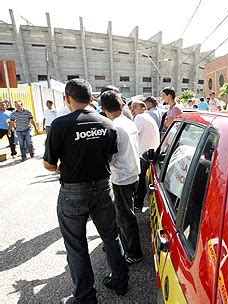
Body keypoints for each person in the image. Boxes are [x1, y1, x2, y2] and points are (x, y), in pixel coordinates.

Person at [43, 79, 129, 303]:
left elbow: (49, 164)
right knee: (111, 237)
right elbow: (109, 157)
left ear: (67, 99)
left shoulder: (60, 126)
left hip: (73, 192)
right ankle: (121, 282)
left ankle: (85, 296)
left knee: (76, 245)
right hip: (103, 187)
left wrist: (63, 167)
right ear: (91, 99)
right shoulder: (108, 124)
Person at [99, 90, 143, 266]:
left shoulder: (113, 127)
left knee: (125, 217)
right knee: (125, 214)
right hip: (133, 172)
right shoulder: (128, 122)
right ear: (123, 105)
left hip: (122, 177)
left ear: (103, 109)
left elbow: (111, 156)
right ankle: (127, 245)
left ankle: (134, 252)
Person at [131, 100, 160, 211]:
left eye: (135, 107)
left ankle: (138, 204)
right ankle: (138, 204)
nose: (132, 110)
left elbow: (133, 133)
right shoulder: (147, 117)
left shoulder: (140, 117)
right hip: (150, 153)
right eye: (132, 107)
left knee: (141, 180)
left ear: (143, 107)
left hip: (144, 154)